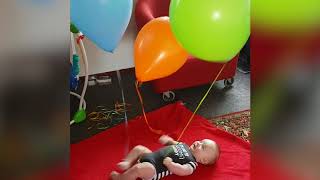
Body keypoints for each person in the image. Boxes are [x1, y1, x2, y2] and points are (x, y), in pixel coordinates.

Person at [110, 135, 220, 180]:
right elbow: (172, 143)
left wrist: (171, 165)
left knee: (139, 169)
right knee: (139, 148)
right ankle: (127, 162)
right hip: (150, 155)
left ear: (203, 160)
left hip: (154, 169)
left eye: (203, 146)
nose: (198, 143)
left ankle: (121, 178)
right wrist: (167, 140)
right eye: (201, 141)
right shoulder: (184, 145)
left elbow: (184, 171)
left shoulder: (192, 163)